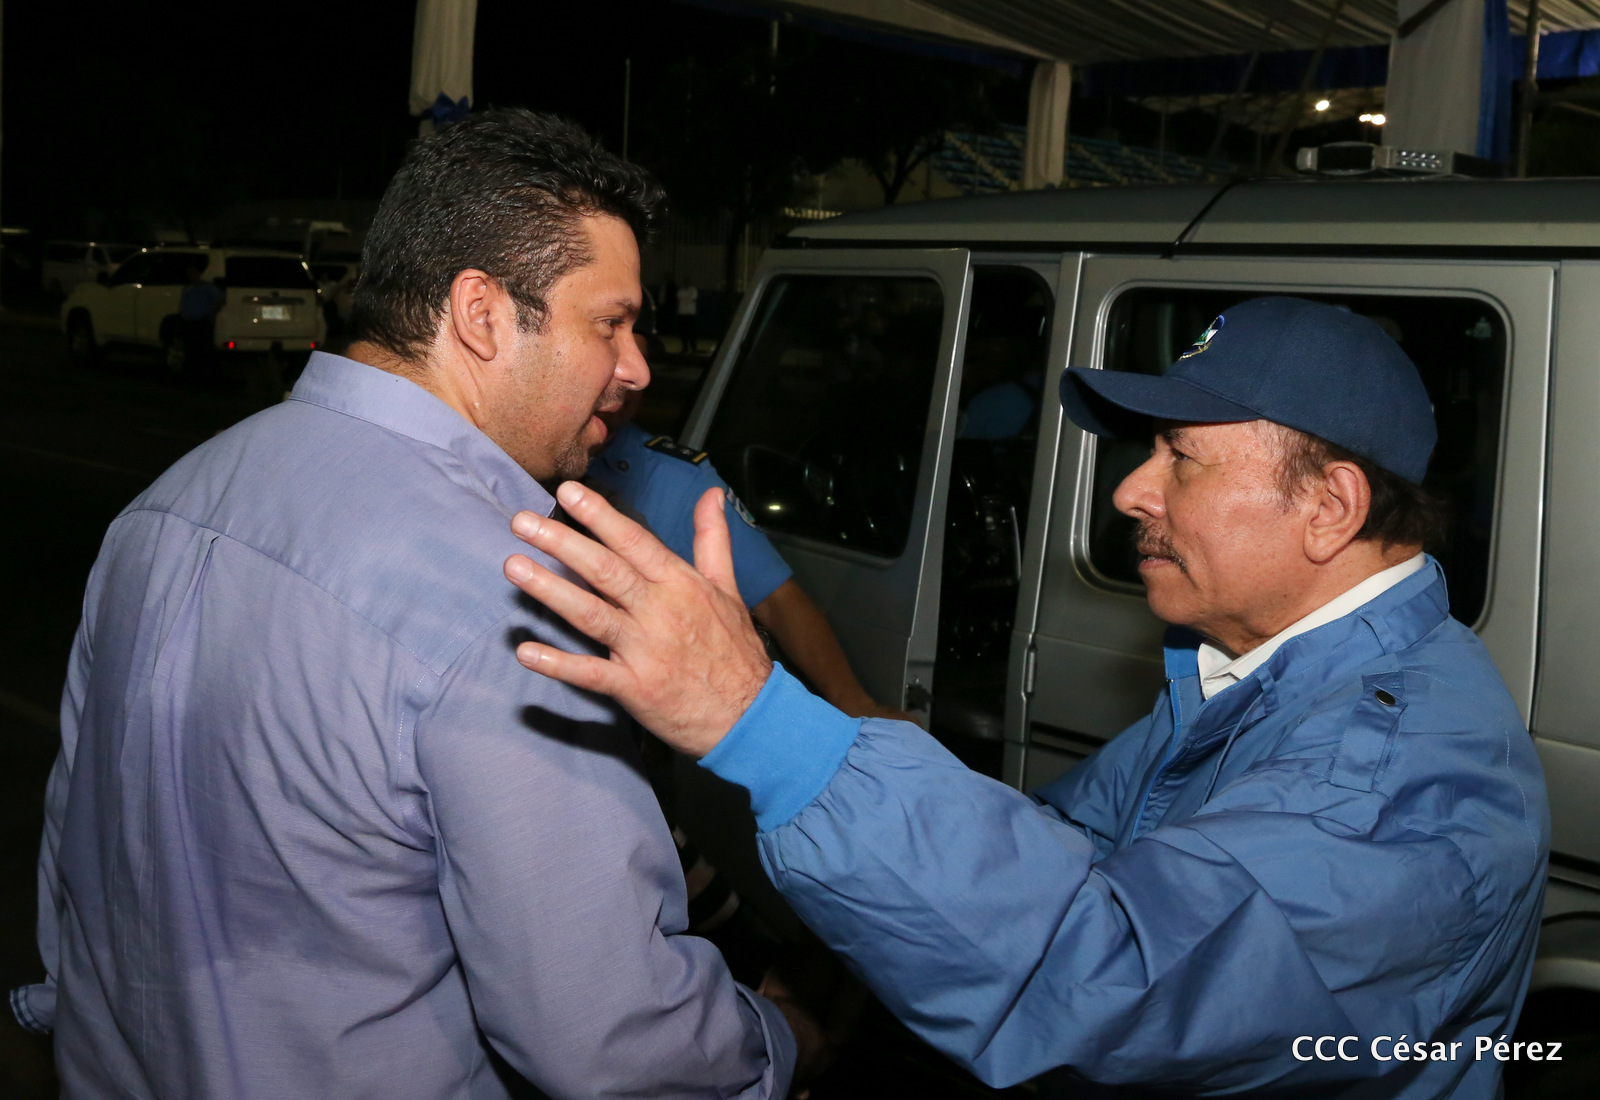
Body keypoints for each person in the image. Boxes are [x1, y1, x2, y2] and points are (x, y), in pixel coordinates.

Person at [501, 296, 1550, 1098]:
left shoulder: (1389, 777)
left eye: (1181, 458)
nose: (1131, 489)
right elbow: (1064, 841)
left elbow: (1110, 970)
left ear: (1328, 507)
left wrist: (761, 721)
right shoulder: (1255, 673)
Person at [13, 109, 805, 1099]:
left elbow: (74, 862)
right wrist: (778, 1041)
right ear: (481, 313)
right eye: (610, 322)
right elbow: (606, 1033)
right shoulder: (512, 596)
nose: (638, 365)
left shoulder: (161, 510)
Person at [587, 386, 907, 721]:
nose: (634, 375)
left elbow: (778, 599)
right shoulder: (551, 470)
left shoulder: (680, 481)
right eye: (612, 356)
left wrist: (855, 704)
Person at [677, 279, 699, 354]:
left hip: (690, 314)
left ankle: (693, 348)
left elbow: (692, 299)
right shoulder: (681, 291)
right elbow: (680, 298)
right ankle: (685, 348)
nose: (686, 284)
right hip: (682, 313)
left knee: (692, 332)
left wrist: (685, 299)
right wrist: (687, 299)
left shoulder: (693, 290)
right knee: (683, 332)